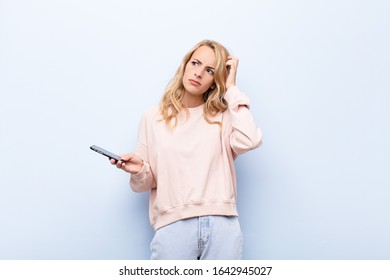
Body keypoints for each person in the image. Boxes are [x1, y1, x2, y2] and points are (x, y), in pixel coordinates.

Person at [111, 39, 262, 260]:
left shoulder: (224, 116)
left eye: (209, 70)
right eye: (195, 63)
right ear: (185, 65)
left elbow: (249, 140)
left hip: (222, 225)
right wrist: (139, 170)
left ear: (214, 81)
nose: (199, 73)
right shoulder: (153, 118)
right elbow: (144, 184)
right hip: (173, 227)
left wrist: (231, 88)